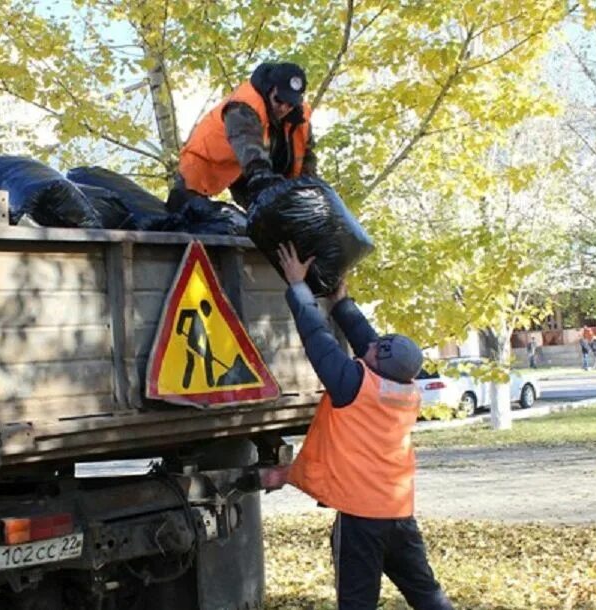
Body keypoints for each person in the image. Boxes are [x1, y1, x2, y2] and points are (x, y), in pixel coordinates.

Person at [275, 242, 454, 610]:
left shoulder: (352, 385)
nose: (369, 347)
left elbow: (317, 339)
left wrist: (297, 286)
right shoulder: (406, 391)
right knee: (426, 595)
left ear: (377, 363)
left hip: (360, 519)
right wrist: (343, 304)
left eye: (375, 350)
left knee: (356, 602)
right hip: (398, 513)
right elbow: (371, 343)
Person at [170, 62, 317, 211]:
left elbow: (306, 157)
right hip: (202, 163)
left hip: (240, 170)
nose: (284, 108)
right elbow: (251, 151)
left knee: (271, 215)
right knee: (185, 212)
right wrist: (266, 182)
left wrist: (309, 192)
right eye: (279, 100)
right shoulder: (243, 108)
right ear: (268, 89)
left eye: (290, 104)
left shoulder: (300, 119)